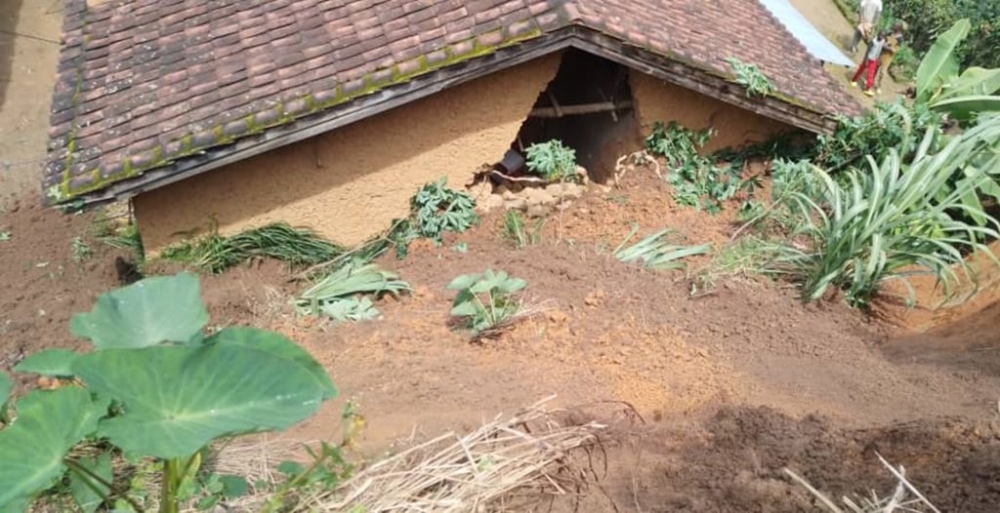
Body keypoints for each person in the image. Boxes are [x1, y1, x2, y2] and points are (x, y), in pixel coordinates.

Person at [851, 31, 886, 96]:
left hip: (874, 60)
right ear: (878, 34)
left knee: (871, 74)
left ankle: (867, 89)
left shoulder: (882, 41)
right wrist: (866, 60)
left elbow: (880, 50)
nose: (881, 37)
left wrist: (878, 58)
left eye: (883, 36)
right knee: (861, 69)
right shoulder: (873, 41)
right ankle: (854, 80)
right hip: (868, 58)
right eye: (880, 35)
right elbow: (867, 51)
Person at [874, 22, 906, 94]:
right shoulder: (890, 33)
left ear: (899, 28)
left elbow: (895, 50)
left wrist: (887, 47)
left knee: (883, 72)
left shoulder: (900, 39)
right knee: (875, 67)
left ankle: (879, 86)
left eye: (894, 25)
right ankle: (871, 80)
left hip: (887, 57)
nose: (893, 26)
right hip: (880, 53)